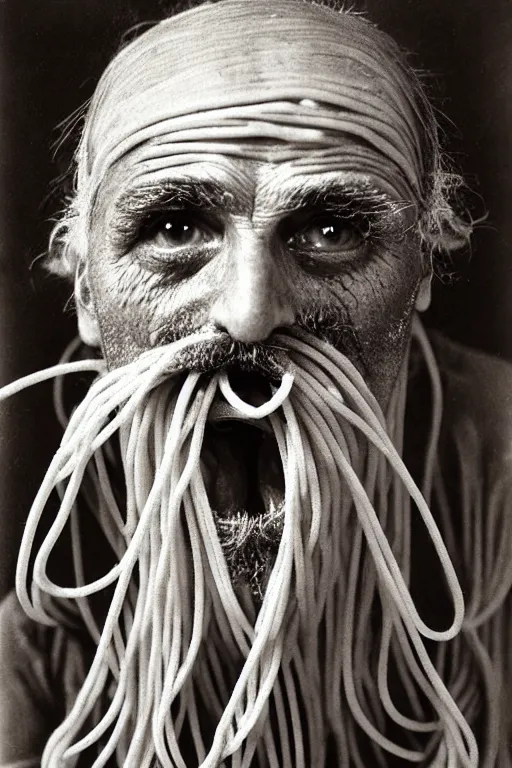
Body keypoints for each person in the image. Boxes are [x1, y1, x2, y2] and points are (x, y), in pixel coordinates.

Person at [1, 0, 511, 765]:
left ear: (423, 268)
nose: (248, 314)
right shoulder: (50, 600)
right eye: (175, 229)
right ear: (84, 291)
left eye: (331, 230)